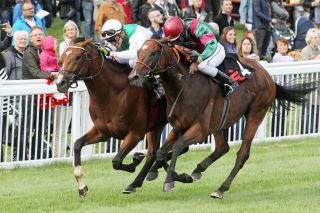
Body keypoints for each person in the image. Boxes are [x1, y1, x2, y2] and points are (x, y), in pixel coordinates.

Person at [163, 16, 239, 95]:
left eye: (177, 39)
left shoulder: (197, 27)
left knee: (202, 66)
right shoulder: (175, 32)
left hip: (215, 48)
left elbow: (211, 45)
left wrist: (197, 62)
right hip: (200, 52)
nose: (176, 42)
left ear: (183, 32)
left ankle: (231, 83)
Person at [99, 19, 165, 100]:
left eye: (114, 39)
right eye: (109, 40)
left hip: (154, 55)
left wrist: (110, 53)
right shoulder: (118, 34)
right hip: (141, 55)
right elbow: (108, 50)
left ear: (122, 33)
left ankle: (157, 83)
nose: (113, 43)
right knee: (113, 58)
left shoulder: (136, 35)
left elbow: (132, 54)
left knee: (132, 61)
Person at [22, 26, 58, 159]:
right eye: (35, 35)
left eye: (40, 34)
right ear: (31, 39)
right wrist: (53, 74)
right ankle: (20, 157)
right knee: (27, 129)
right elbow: (35, 72)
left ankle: (36, 156)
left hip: (44, 96)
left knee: (41, 129)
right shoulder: (29, 53)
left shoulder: (47, 52)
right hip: (31, 97)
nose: (38, 37)